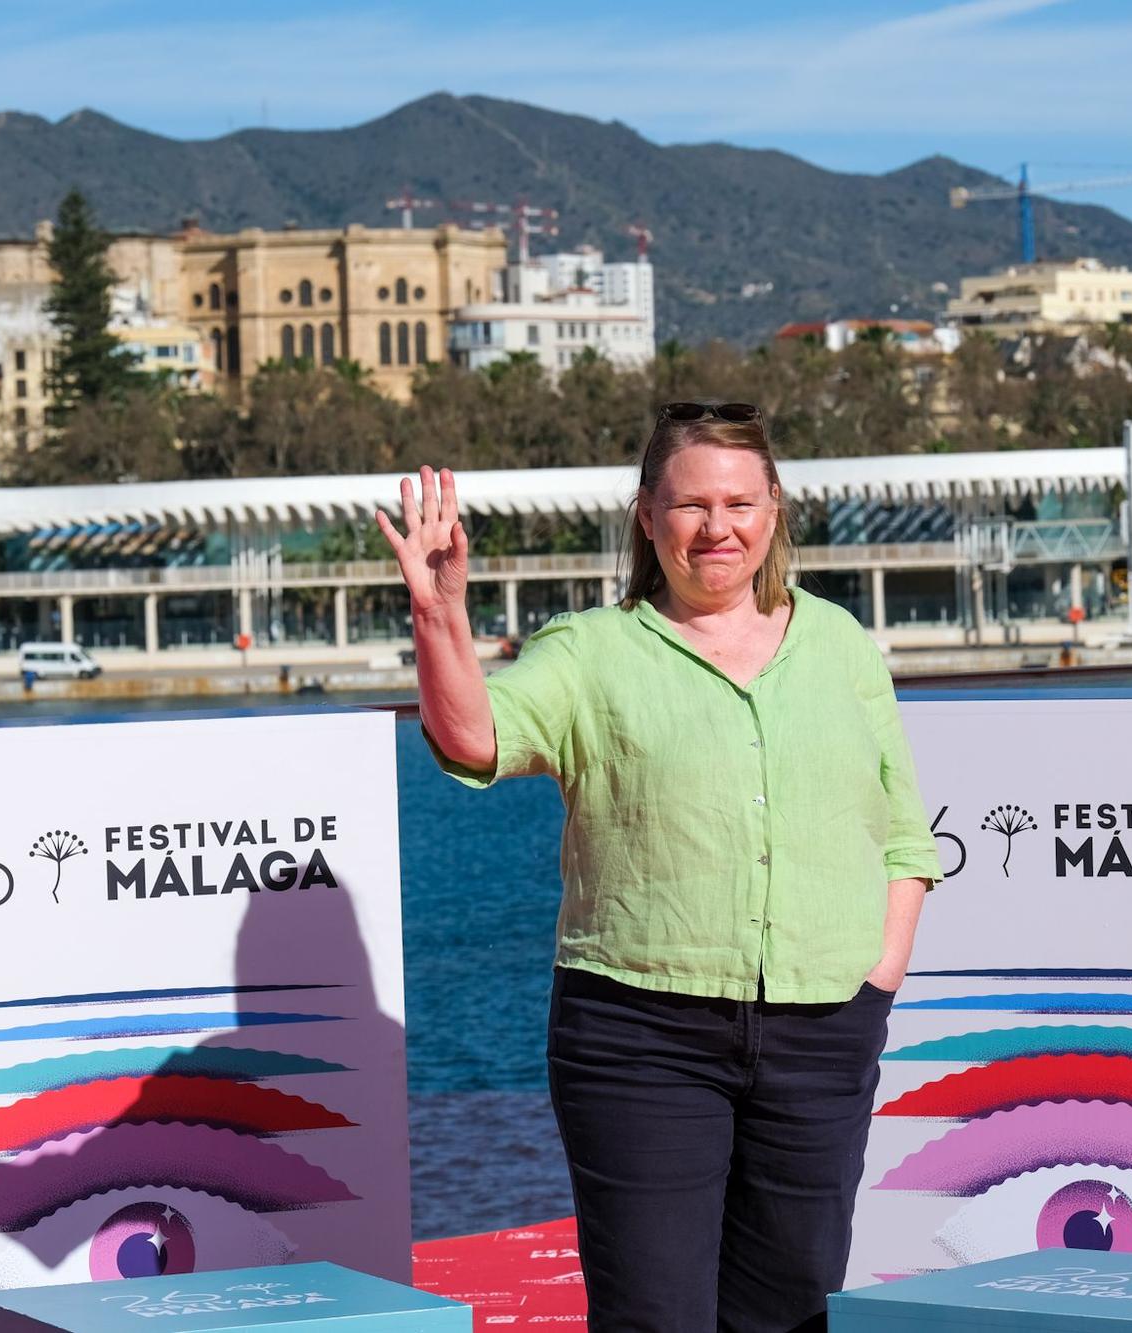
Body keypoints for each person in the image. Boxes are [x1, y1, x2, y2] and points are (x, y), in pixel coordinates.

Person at [377, 402, 940, 1332]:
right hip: (641, 1040)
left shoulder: (841, 644)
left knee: (793, 1311)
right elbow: (474, 738)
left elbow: (905, 835)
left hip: (824, 1034)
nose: (717, 527)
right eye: (690, 505)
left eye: (739, 502)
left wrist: (877, 979)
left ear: (774, 510)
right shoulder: (589, 652)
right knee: (657, 1318)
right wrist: (440, 615)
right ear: (647, 516)